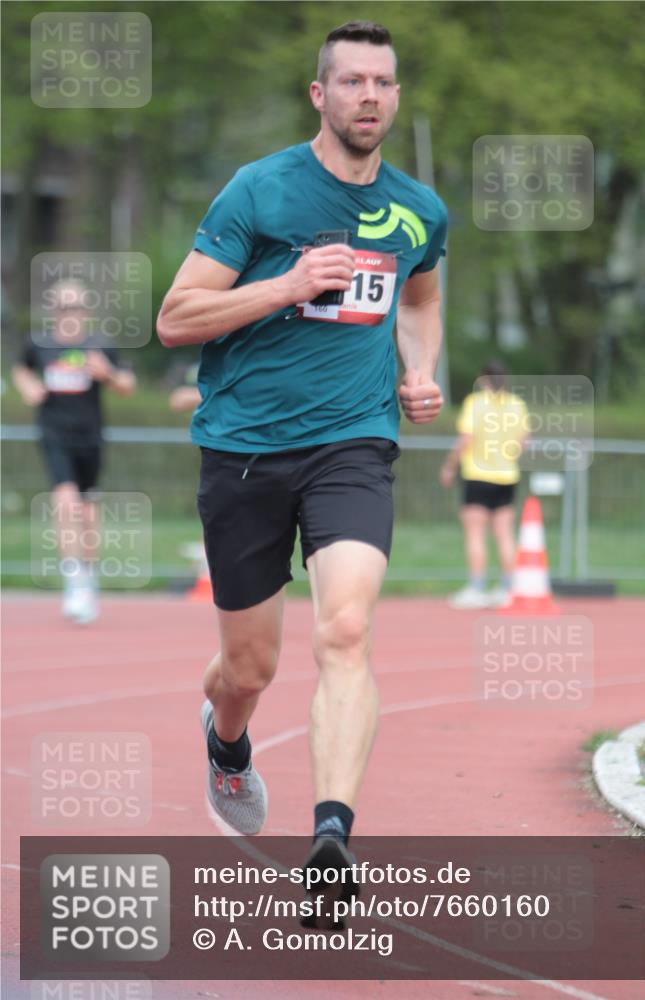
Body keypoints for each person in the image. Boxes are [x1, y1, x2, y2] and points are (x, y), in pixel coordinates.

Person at [157, 20, 447, 888]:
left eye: (383, 83)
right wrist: (286, 285)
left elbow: (420, 295)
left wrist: (420, 369)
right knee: (250, 668)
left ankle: (331, 841)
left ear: (396, 96)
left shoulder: (417, 209)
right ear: (319, 95)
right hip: (243, 449)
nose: (370, 96)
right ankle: (227, 739)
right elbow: (175, 317)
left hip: (352, 444)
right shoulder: (260, 191)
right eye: (352, 82)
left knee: (346, 630)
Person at [12, 279, 136, 624]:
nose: (69, 314)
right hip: (54, 435)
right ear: (52, 311)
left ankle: (89, 578)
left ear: (86, 311)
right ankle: (74, 581)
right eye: (63, 307)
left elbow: (128, 386)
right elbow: (20, 369)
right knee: (64, 500)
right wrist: (28, 386)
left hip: (90, 438)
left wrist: (107, 373)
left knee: (87, 513)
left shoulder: (100, 346)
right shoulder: (39, 343)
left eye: (75, 307)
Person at [440, 361, 529, 608]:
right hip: (507, 476)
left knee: (475, 534)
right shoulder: (517, 405)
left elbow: (465, 439)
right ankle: (507, 588)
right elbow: (524, 443)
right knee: (505, 535)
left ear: (483, 379)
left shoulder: (475, 403)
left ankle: (477, 588)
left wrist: (449, 465)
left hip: (478, 474)